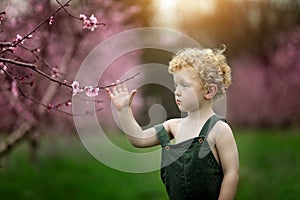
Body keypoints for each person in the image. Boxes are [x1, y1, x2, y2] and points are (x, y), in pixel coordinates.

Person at [106, 46, 239, 200]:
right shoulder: (173, 126)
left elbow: (231, 173)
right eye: (176, 85)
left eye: (185, 85)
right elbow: (139, 138)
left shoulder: (219, 129)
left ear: (209, 91)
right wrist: (123, 111)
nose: (177, 91)